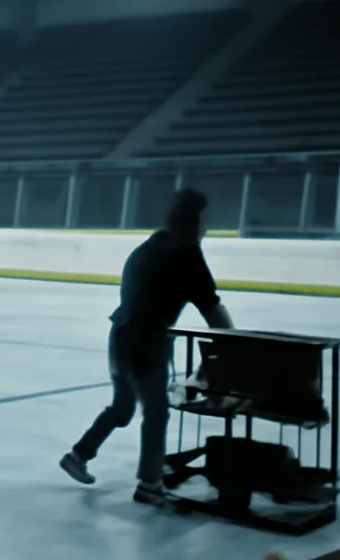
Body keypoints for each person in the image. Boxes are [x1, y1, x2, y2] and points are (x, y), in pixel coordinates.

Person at [59, 188, 234, 505]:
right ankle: (150, 483)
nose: (207, 227)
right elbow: (212, 307)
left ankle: (78, 454)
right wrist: (234, 342)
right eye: (205, 220)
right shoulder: (187, 253)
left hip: (120, 337)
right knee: (156, 413)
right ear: (194, 221)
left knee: (123, 407)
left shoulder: (152, 245)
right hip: (146, 342)